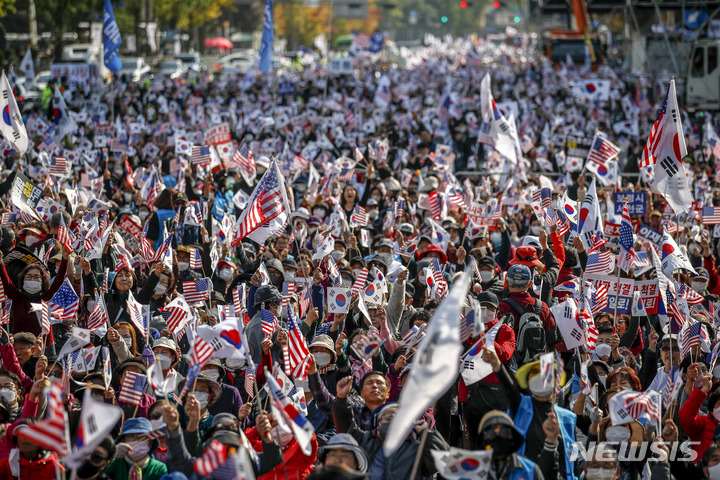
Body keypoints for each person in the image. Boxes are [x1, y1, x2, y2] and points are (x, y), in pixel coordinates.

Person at [332, 376, 449, 480]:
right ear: (377, 424)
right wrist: (341, 398)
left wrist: (425, 432)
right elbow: (346, 429)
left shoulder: (416, 449)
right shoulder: (365, 443)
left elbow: (442, 458)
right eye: (388, 417)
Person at [476, 410, 545, 480]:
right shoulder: (471, 471)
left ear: (512, 437)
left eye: (505, 432)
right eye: (490, 433)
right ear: (483, 440)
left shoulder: (530, 471)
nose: (498, 436)